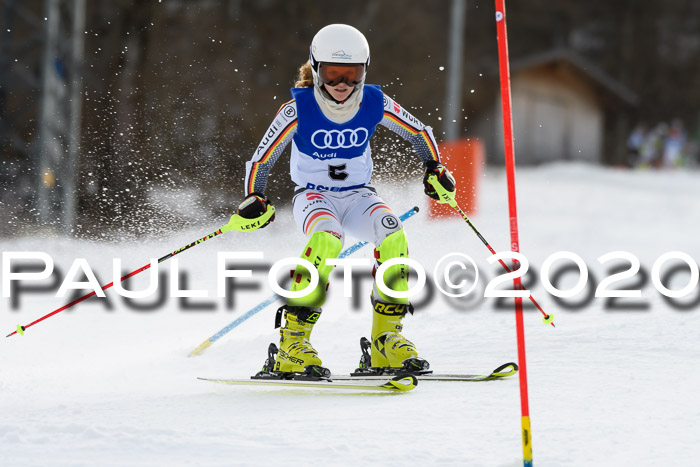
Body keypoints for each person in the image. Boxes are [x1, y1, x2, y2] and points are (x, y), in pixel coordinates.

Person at [236, 24, 456, 377]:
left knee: (393, 233)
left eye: (351, 75)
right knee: (327, 239)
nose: (342, 84)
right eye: (333, 73)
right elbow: (262, 159)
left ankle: (386, 341)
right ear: (316, 68)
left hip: (359, 196)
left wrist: (434, 168)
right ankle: (293, 343)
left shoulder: (374, 102)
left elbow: (418, 132)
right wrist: (255, 196)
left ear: (364, 71)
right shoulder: (298, 109)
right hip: (313, 197)